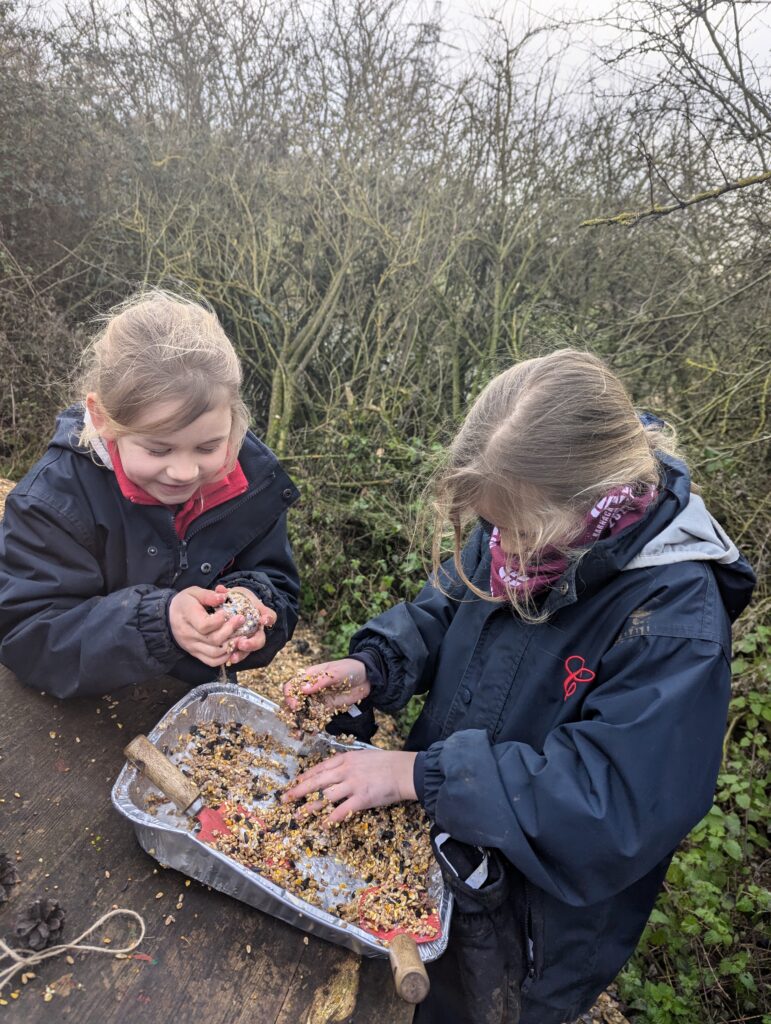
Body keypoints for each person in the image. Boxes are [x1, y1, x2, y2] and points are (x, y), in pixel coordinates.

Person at [281, 349, 755, 1024]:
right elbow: (443, 609)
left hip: (529, 938)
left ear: (597, 498)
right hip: (439, 862)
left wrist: (422, 775)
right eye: (491, 528)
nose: (499, 550)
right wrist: (375, 665)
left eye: (519, 531)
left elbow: (614, 803)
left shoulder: (674, 622)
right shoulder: (519, 525)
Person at [0, 290, 300, 699]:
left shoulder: (252, 484)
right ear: (104, 419)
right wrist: (159, 623)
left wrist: (255, 605)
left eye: (209, 447)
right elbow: (26, 633)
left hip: (185, 707)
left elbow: (278, 583)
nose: (184, 472)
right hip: (81, 714)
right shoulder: (52, 500)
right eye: (158, 449)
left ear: (232, 420)